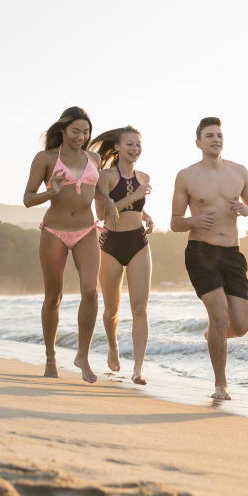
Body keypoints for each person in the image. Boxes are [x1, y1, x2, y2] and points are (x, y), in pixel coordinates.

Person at [170, 117, 248, 400]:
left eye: (219, 135)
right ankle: (220, 385)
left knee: (240, 325)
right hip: (201, 251)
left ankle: (212, 335)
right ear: (198, 142)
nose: (216, 139)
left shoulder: (239, 172)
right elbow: (175, 222)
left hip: (232, 253)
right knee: (220, 314)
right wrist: (194, 220)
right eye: (210, 135)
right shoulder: (186, 176)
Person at [22, 106, 108, 383]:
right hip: (54, 232)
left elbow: (100, 193)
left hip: (86, 230)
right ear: (62, 130)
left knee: (91, 291)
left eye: (85, 131)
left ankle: (82, 355)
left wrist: (114, 208)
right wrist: (52, 191)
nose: (81, 136)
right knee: (53, 296)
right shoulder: (45, 158)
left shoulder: (94, 157)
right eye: (75, 131)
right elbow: (27, 198)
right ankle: (50, 357)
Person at [91, 126, 154, 385]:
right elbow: (103, 215)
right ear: (117, 147)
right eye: (129, 144)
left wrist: (147, 216)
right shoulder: (105, 177)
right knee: (111, 309)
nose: (135, 149)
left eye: (138, 144)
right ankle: (113, 346)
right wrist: (135, 196)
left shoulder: (144, 176)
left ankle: (138, 368)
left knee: (140, 308)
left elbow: (135, 210)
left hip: (138, 242)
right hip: (111, 244)